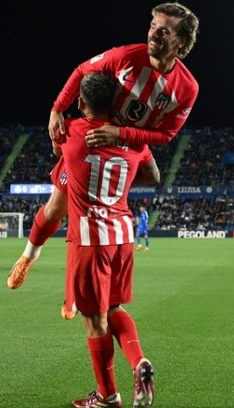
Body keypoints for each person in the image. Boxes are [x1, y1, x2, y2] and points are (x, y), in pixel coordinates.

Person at [8, 2, 199, 289]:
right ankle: (27, 257)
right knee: (56, 208)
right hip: (95, 136)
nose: (154, 35)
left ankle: (87, 286)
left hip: (131, 142)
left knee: (153, 178)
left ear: (181, 42)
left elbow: (167, 135)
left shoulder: (187, 88)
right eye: (152, 27)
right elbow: (81, 70)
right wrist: (57, 108)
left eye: (164, 31)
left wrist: (122, 134)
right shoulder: (126, 56)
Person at [57, 72, 160, 408]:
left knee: (94, 319)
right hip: (122, 234)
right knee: (114, 308)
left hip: (90, 238)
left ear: (81, 102)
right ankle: (139, 361)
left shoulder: (71, 133)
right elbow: (154, 176)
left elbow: (56, 132)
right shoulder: (135, 139)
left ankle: (107, 396)